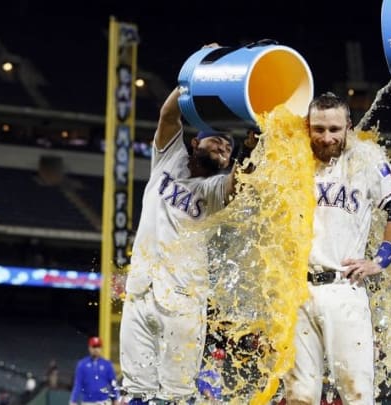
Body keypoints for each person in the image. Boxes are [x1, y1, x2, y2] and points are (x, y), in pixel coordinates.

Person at [119, 44, 238, 404]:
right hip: (140, 291)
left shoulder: (214, 189)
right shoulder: (167, 160)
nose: (222, 150)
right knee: (135, 391)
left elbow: (239, 184)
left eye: (228, 150)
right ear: (194, 141)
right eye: (216, 141)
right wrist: (194, 71)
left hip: (185, 300)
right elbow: (168, 115)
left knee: (176, 395)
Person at [283, 92, 391, 404]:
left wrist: (380, 261)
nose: (327, 137)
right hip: (296, 292)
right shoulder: (290, 158)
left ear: (349, 127)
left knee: (357, 394)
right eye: (319, 129)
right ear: (307, 128)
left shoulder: (366, 158)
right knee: (299, 396)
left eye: (335, 129)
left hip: (343, 287)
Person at [69, 337, 119, 405]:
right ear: (89, 348)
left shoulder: (107, 364)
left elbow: (113, 383)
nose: (96, 349)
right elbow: (78, 384)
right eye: (94, 346)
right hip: (88, 402)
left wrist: (116, 399)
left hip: (104, 401)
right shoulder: (82, 364)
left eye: (98, 346)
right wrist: (73, 400)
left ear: (101, 348)